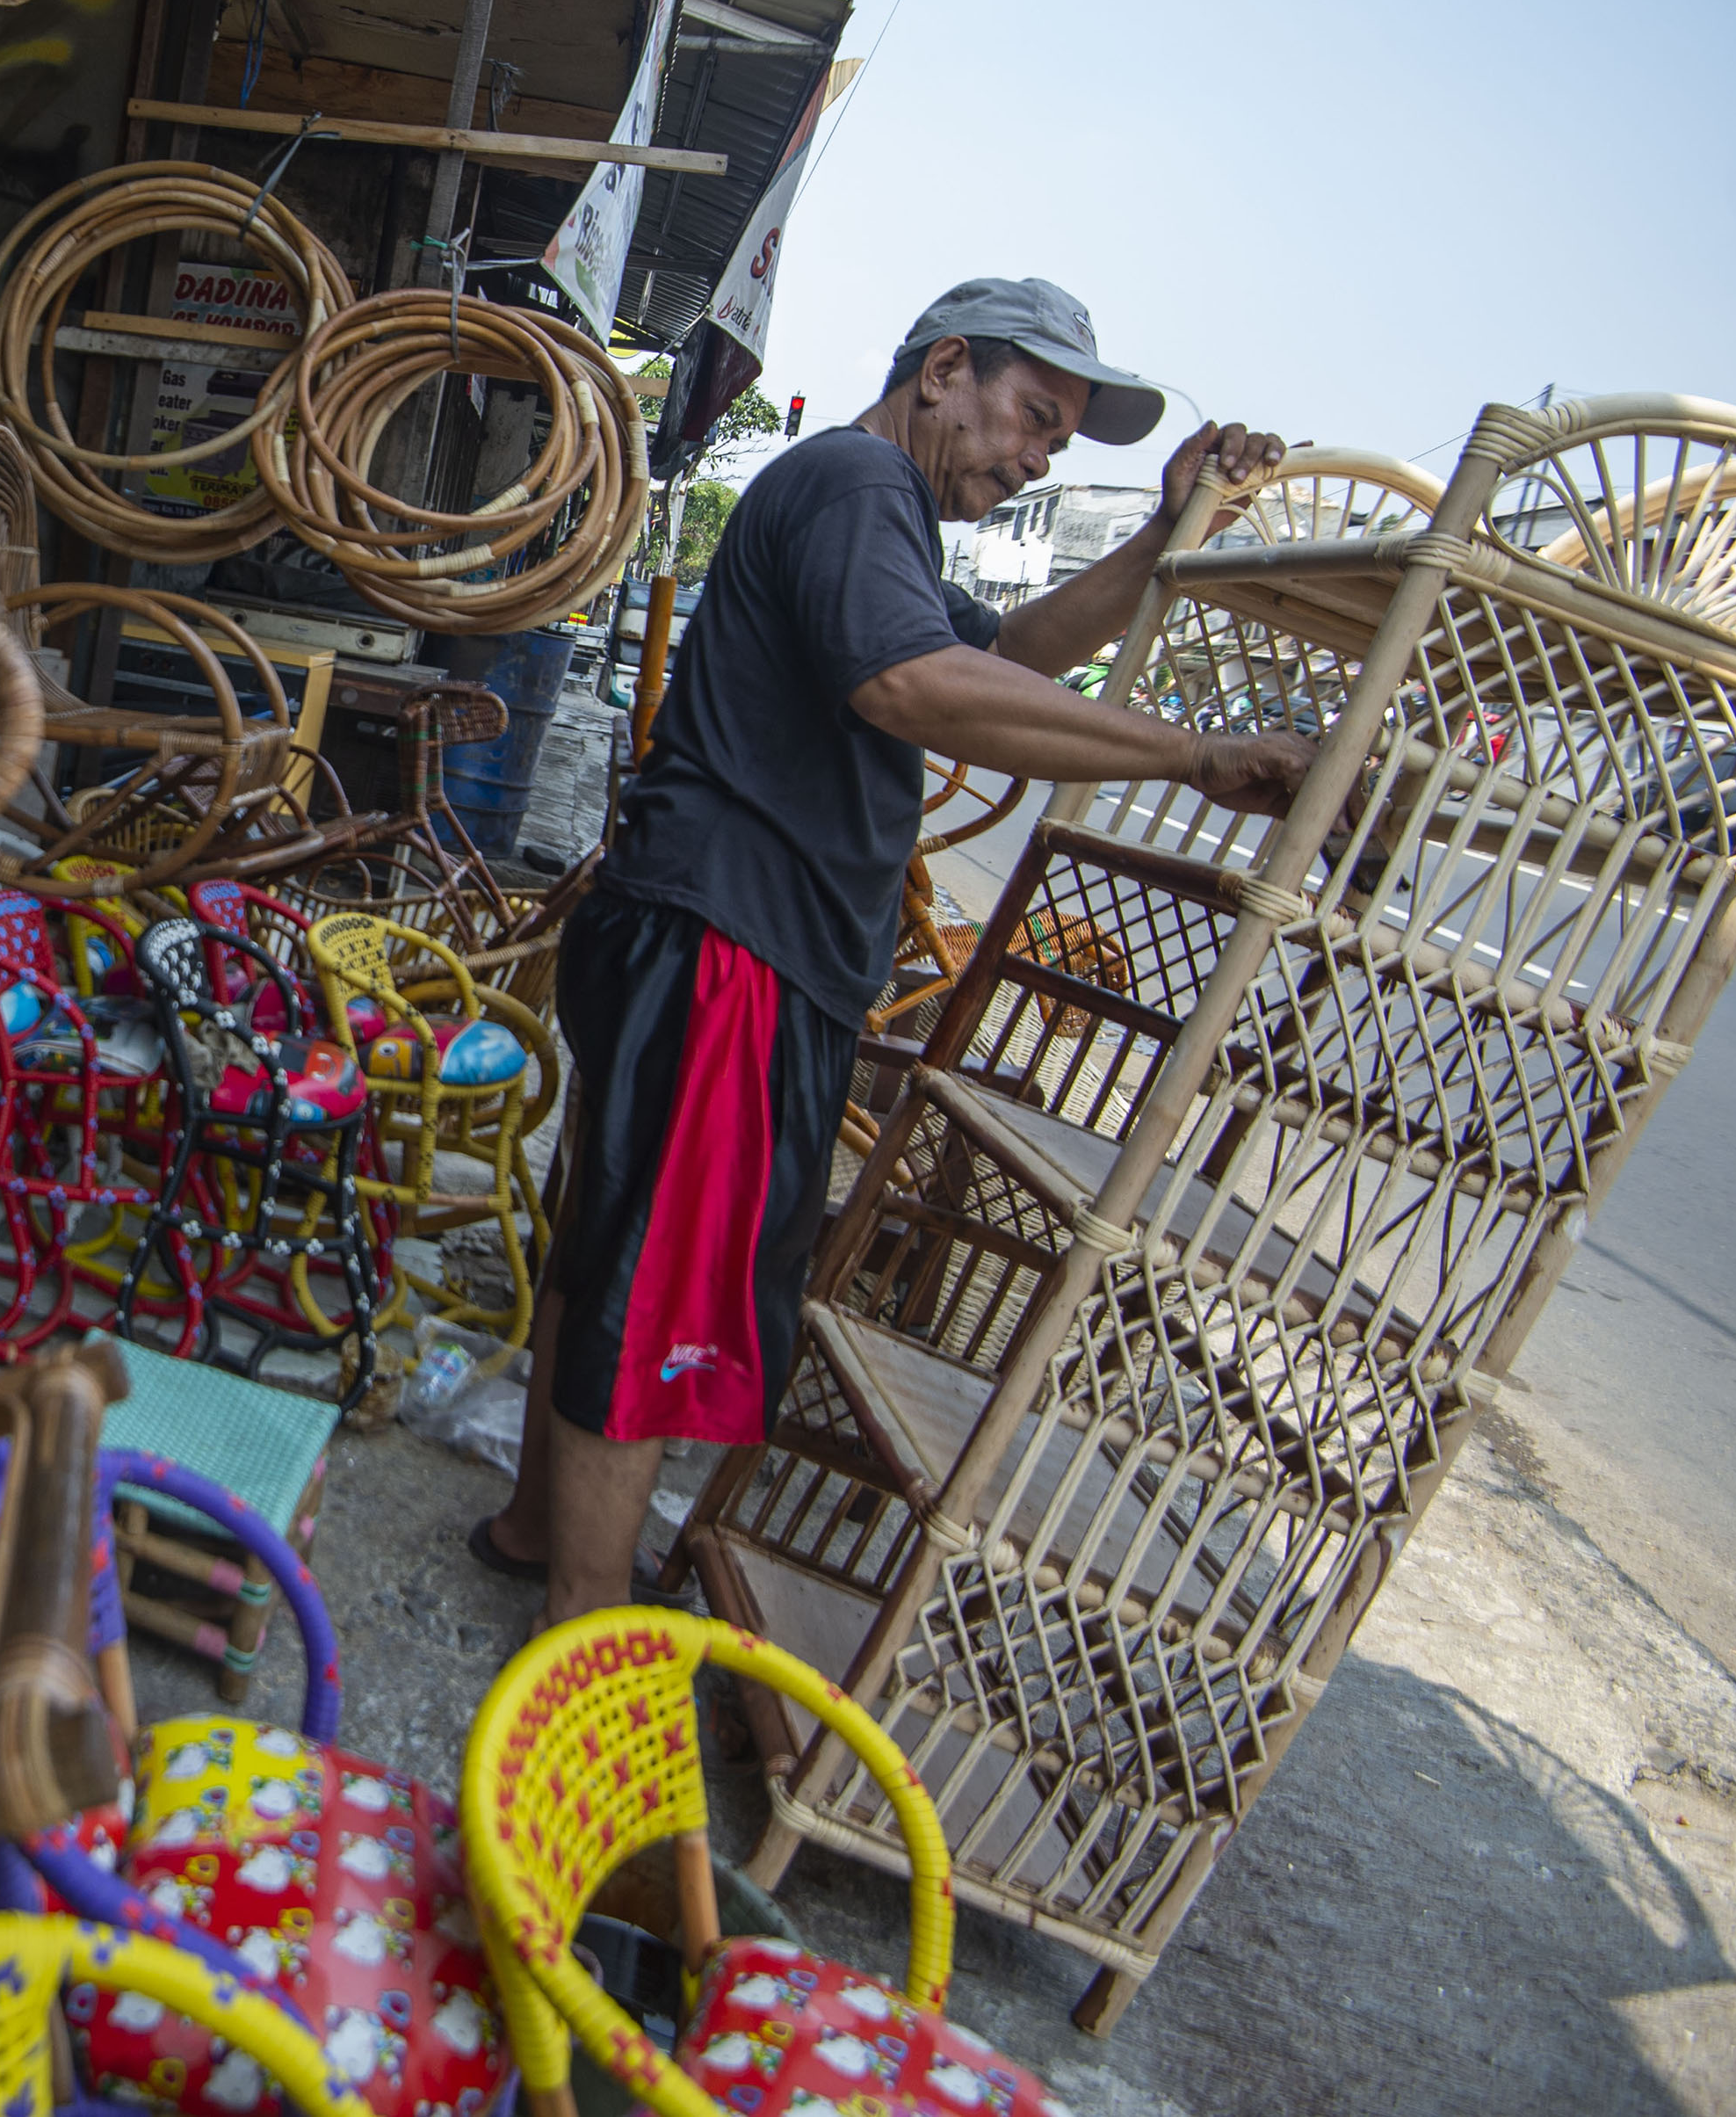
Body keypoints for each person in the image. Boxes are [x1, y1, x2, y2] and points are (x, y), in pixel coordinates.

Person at [469, 277, 1314, 1630]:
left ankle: (534, 1529)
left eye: (1059, 442)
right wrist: (1192, 753)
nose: (1037, 459)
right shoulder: (859, 481)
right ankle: (591, 1633)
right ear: (944, 369)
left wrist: (1167, 534)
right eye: (1033, 417)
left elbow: (1014, 653)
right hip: (733, 942)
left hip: (709, 930)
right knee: (663, 1292)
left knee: (613, 1247)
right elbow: (913, 687)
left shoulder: (883, 521)